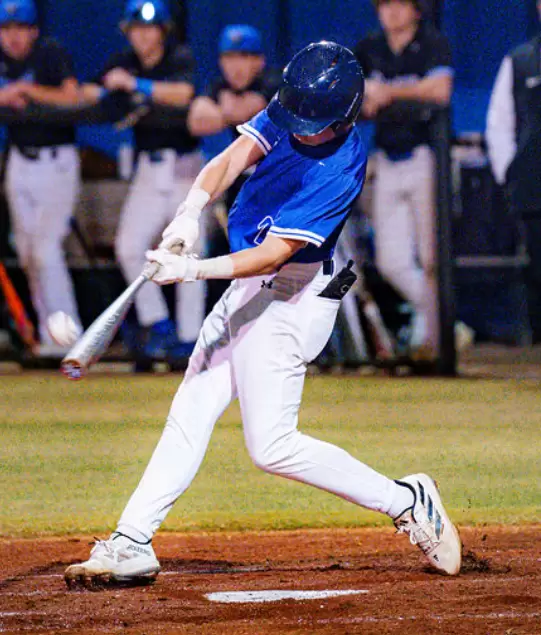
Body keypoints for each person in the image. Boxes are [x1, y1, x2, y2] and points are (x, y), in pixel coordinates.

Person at [65, 41, 461, 589]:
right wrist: (189, 212)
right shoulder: (295, 106)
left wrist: (193, 270)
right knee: (192, 406)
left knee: (271, 446)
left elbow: (275, 254)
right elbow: (230, 159)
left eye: (312, 126)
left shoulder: (339, 168)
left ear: (344, 118)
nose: (300, 130)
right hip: (250, 284)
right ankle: (132, 539)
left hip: (293, 297)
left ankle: (405, 499)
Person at [81, 0, 204, 360]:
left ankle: (191, 337)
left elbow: (184, 93)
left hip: (184, 168)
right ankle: (158, 323)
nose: (144, 36)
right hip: (148, 169)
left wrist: (136, 86)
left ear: (163, 31)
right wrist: (112, 92)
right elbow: (87, 91)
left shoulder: (177, 58)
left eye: (150, 28)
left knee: (188, 251)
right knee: (128, 246)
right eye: (137, 29)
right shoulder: (124, 61)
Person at [354, 0, 453, 359]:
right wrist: (366, 97)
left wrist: (389, 92)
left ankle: (435, 340)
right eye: (385, 4)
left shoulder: (431, 42)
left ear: (416, 9)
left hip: (426, 158)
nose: (392, 11)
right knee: (391, 261)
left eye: (400, 3)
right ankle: (446, 324)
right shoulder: (371, 47)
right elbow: (348, 93)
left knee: (431, 258)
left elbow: (440, 90)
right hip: (387, 158)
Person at [0, 0, 81, 356]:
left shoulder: (49, 53)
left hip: (56, 161)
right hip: (19, 162)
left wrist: (27, 90)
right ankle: (50, 337)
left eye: (21, 28)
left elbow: (73, 96)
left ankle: (71, 338)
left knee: (46, 250)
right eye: (6, 29)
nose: (13, 36)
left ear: (33, 31)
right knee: (28, 253)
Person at [188, 24, 281, 306]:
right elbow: (196, 120)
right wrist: (228, 110)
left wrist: (225, 111)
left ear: (259, 61)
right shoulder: (220, 87)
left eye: (245, 57)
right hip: (246, 185)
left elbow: (247, 108)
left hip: (284, 186)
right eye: (230, 58)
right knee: (235, 264)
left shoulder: (274, 82)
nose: (236, 66)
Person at [486, 0, 541, 343]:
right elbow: (499, 122)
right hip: (534, 188)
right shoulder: (520, 60)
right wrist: (509, 172)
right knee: (537, 268)